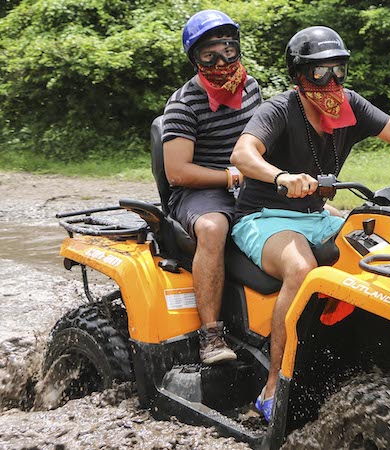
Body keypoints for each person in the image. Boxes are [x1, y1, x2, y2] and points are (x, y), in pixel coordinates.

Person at [230, 26, 390, 422]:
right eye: (319, 73)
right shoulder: (279, 109)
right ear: (298, 76)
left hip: (316, 215)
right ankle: (273, 385)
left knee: (387, 248)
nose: (331, 82)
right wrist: (280, 177)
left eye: (338, 70)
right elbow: (243, 153)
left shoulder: (348, 107)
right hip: (265, 216)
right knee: (302, 268)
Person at [161, 10, 262, 364]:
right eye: (210, 55)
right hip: (199, 191)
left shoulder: (251, 88)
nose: (222, 61)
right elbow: (177, 172)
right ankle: (212, 336)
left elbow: (262, 139)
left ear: (237, 49)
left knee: (320, 211)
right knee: (213, 227)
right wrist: (231, 176)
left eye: (228, 50)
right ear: (196, 59)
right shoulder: (184, 103)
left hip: (249, 182)